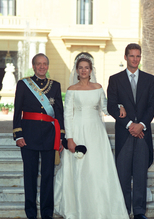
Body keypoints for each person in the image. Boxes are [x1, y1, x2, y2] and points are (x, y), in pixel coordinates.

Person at [54, 54, 129, 219]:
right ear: (77, 70)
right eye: (80, 67)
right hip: (78, 131)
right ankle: (79, 209)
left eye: (86, 67)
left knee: (97, 168)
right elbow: (68, 115)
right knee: (80, 169)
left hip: (96, 133)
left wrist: (119, 106)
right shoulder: (72, 90)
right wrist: (71, 138)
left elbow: (105, 107)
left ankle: (102, 207)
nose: (83, 70)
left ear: (90, 70)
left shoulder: (98, 87)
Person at [107, 43, 154, 219]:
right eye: (132, 56)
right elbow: (112, 106)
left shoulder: (149, 79)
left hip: (143, 134)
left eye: (138, 56)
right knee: (122, 175)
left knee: (140, 175)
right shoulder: (115, 80)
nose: (135, 59)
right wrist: (130, 124)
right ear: (125, 57)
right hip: (125, 134)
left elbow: (153, 105)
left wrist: (141, 124)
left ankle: (138, 211)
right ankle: (123, 210)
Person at [13, 53, 66, 219]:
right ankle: (30, 214)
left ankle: (47, 214)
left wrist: (61, 137)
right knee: (30, 176)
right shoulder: (23, 84)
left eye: (44, 64)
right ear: (34, 66)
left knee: (48, 177)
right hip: (28, 136)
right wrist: (18, 134)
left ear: (47, 66)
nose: (42, 67)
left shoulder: (55, 86)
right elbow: (17, 111)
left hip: (50, 136)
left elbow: (59, 113)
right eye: (38, 64)